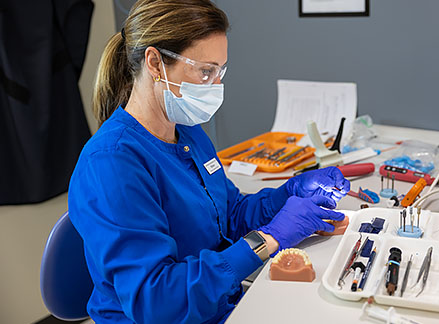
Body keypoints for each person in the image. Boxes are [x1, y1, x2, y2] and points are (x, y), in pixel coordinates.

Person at [68, 0, 350, 323]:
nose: (217, 86)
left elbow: (229, 215)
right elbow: (156, 301)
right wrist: (270, 238)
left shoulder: (188, 134)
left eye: (220, 71)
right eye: (206, 71)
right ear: (155, 63)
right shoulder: (112, 164)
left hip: (218, 307)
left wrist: (290, 193)